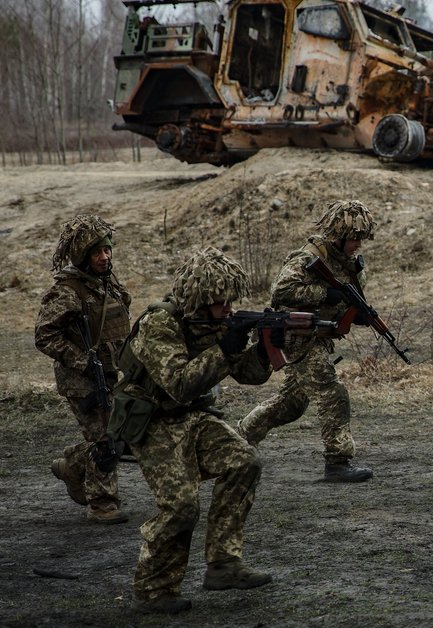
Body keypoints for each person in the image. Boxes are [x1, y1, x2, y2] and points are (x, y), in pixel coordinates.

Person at [108, 247, 273, 614]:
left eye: (231, 302)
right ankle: (154, 590)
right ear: (199, 301)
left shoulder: (214, 323)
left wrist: (263, 350)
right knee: (182, 507)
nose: (228, 310)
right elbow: (178, 384)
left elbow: (249, 375)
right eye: (221, 303)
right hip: (152, 421)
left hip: (193, 417)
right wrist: (225, 348)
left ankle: (223, 564)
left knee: (244, 461)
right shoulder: (159, 324)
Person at [238, 200, 378, 482]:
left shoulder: (347, 264)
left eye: (362, 238)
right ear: (337, 235)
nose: (358, 244)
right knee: (332, 392)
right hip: (297, 337)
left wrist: (355, 314)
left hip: (317, 337)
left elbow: (344, 301)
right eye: (354, 238)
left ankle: (238, 440)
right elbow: (282, 291)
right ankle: (337, 461)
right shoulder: (308, 258)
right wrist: (325, 295)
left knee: (290, 404)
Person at [35, 215, 132, 524]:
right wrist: (81, 361)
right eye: (96, 253)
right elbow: (44, 335)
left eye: (107, 251)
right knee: (105, 439)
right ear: (83, 256)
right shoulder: (67, 292)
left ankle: (73, 466)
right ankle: (102, 504)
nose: (104, 257)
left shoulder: (108, 284)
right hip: (82, 381)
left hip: (111, 373)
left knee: (116, 434)